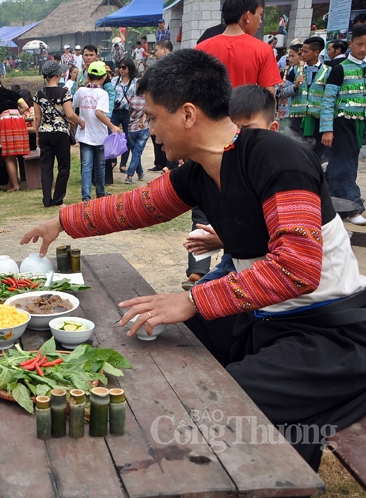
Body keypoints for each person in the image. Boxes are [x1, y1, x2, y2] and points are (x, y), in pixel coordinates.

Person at [21, 49, 366, 472]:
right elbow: (135, 207)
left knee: (214, 398)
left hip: (331, 335)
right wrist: (62, 219)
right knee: (151, 345)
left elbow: (297, 270)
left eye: (151, 117)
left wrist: (194, 300)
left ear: (187, 114)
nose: (148, 128)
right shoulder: (200, 172)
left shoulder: (278, 158)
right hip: (263, 317)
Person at [186, 84, 280, 285]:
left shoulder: (277, 172)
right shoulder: (226, 164)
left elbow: (281, 243)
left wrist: (224, 240)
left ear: (273, 130)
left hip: (264, 272)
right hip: (233, 259)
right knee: (197, 296)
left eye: (248, 131)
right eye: (232, 130)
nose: (237, 139)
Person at [321, 24, 366, 225]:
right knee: (346, 165)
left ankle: (327, 203)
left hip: (360, 124)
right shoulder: (339, 68)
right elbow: (328, 100)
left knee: (340, 166)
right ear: (350, 43)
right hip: (342, 124)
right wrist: (327, 129)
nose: (363, 48)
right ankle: (353, 206)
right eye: (359, 44)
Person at [195, 0, 281, 92]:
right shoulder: (263, 50)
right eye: (260, 15)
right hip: (246, 106)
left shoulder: (200, 49)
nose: (260, 21)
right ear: (247, 16)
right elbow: (268, 98)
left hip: (211, 106)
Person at [34, 60, 82, 208]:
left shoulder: (38, 94)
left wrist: (37, 135)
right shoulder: (64, 92)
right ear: (56, 74)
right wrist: (81, 122)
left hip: (44, 132)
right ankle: (58, 199)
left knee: (46, 167)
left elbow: (37, 117)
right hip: (61, 133)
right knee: (63, 167)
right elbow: (70, 114)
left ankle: (47, 200)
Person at [72, 61, 121, 201]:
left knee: (86, 167)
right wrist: (112, 127)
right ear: (104, 77)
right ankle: (100, 192)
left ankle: (86, 197)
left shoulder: (81, 91)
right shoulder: (103, 93)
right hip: (99, 135)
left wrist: (83, 83)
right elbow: (99, 113)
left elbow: (74, 104)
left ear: (88, 75)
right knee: (100, 166)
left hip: (84, 135)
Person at [0, 71, 29, 192]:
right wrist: (15, 114)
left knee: (8, 156)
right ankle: (12, 184)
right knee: (13, 154)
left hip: (5, 122)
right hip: (18, 121)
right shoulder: (13, 93)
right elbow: (25, 106)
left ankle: (15, 186)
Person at [148, 40, 174, 172]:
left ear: (164, 49)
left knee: (168, 134)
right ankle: (159, 162)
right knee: (155, 133)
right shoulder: (160, 65)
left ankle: (170, 163)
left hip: (169, 103)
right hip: (159, 103)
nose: (155, 52)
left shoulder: (173, 64)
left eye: (157, 49)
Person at [111, 58, 138, 173]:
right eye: (120, 67)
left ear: (129, 68)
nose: (121, 69)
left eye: (124, 67)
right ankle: (112, 160)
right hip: (115, 111)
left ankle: (123, 163)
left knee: (127, 137)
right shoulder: (115, 80)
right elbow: (111, 94)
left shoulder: (135, 82)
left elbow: (139, 96)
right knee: (113, 136)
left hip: (128, 112)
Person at [122, 78, 148, 185]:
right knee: (137, 153)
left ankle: (140, 173)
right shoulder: (149, 101)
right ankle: (129, 175)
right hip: (143, 129)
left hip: (131, 129)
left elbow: (129, 112)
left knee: (135, 153)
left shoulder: (133, 100)